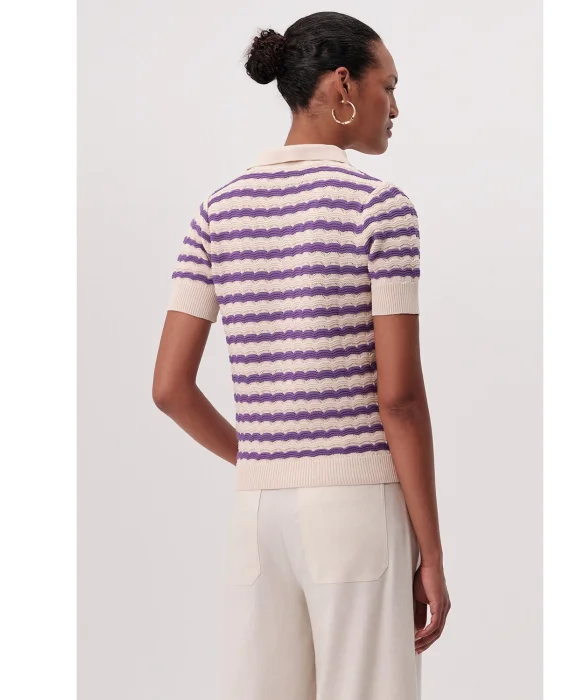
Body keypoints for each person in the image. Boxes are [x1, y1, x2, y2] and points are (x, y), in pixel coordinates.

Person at [152, 11, 450, 700]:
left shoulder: (217, 212)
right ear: (344, 84)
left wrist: (262, 456)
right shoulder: (380, 208)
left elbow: (169, 388)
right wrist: (431, 552)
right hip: (357, 512)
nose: (395, 107)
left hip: (258, 519)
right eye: (388, 86)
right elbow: (399, 399)